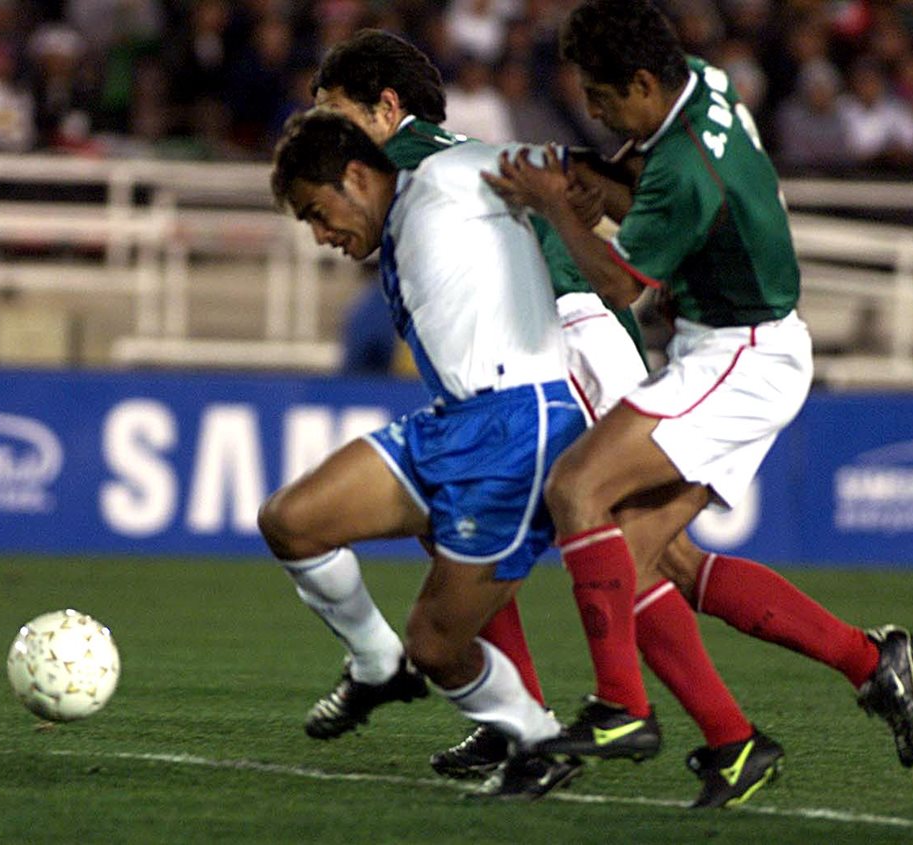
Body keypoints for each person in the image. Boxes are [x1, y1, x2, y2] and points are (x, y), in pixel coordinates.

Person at [484, 0, 913, 808]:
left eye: (604, 95)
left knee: (578, 489)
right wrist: (596, 178)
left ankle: (622, 708)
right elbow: (646, 185)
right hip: (742, 344)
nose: (595, 109)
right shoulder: (709, 88)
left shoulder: (687, 170)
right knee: (638, 549)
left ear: (646, 82)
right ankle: (831, 684)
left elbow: (621, 285)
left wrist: (556, 201)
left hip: (738, 354)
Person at [309, 27, 662, 783]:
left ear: (385, 108)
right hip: (553, 336)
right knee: (450, 522)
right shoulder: (448, 153)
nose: (327, 134)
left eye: (335, 115)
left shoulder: (400, 159)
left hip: (573, 339)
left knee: (654, 552)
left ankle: (833, 670)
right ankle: (518, 721)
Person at [263, 108, 590, 800]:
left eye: (319, 213)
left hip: (519, 429)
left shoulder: (444, 179)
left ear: (357, 175)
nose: (322, 236)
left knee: (439, 645)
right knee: (293, 520)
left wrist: (652, 189)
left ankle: (538, 742)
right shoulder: (408, 215)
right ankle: (376, 662)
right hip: (454, 425)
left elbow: (564, 162)